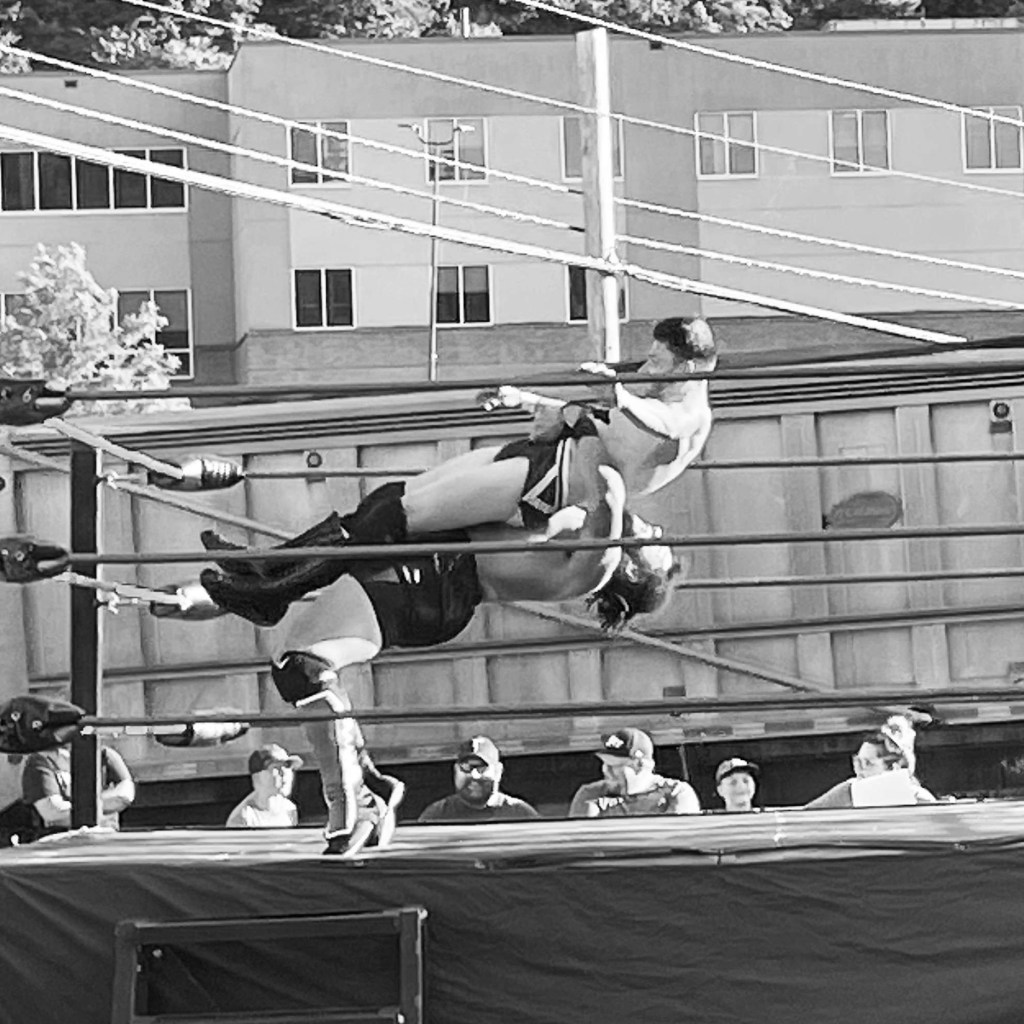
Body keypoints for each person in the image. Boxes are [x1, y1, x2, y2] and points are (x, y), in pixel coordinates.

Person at [191, 317, 713, 609]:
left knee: (391, 518)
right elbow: (590, 422)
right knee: (387, 501)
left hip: (547, 482)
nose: (647, 367)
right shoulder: (655, 407)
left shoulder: (684, 416)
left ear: (686, 367)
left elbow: (638, 432)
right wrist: (528, 400)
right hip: (543, 462)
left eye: (657, 361)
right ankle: (270, 568)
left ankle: (275, 587)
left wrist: (612, 394)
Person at [804, 715, 936, 810]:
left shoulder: (920, 799)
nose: (859, 770)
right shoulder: (849, 791)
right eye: (857, 762)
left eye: (868, 763)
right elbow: (804, 817)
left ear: (894, 768)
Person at [567, 728, 700, 818]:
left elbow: (678, 844)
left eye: (614, 766)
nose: (606, 771)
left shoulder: (676, 792)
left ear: (640, 765)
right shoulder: (590, 794)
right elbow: (584, 846)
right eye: (605, 764)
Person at [418, 736, 539, 823]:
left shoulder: (520, 814)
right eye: (466, 767)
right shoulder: (436, 816)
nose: (474, 775)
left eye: (481, 768)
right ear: (455, 770)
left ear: (498, 771)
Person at [21, 742, 135, 833]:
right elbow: (53, 812)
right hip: (60, 844)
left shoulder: (105, 754)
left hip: (107, 839)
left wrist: (76, 808)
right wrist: (103, 807)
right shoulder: (40, 760)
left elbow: (124, 797)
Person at [226, 743, 302, 828]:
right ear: (257, 777)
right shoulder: (244, 818)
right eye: (276, 768)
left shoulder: (290, 809)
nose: (284, 773)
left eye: (287, 767)